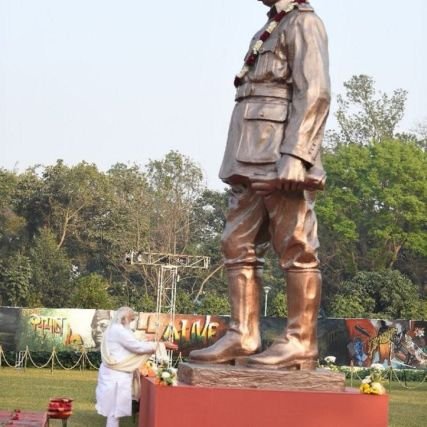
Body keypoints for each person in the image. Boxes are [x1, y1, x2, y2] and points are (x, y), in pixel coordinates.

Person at [189, 0, 330, 370]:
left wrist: (297, 155)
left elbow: (315, 91)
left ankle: (301, 341)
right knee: (236, 242)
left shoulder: (304, 23)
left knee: (295, 244)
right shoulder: (270, 28)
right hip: (248, 153)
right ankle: (243, 335)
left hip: (279, 155)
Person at [95, 307, 177, 427]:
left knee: (114, 411)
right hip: (116, 376)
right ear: (125, 318)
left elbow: (130, 343)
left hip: (114, 374)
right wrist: (161, 345)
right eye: (131, 319)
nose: (131, 322)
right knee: (114, 411)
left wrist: (146, 339)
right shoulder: (119, 330)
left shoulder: (114, 329)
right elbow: (136, 347)